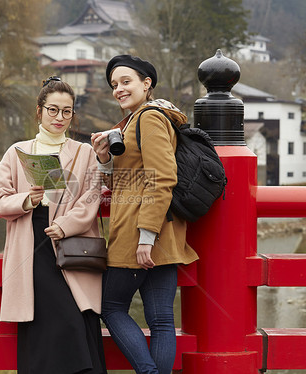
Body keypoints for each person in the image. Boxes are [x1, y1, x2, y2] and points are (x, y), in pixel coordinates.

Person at [0, 76, 106, 374]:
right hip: (31, 240)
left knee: (75, 318)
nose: (60, 118)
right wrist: (27, 199)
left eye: (66, 111)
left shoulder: (84, 153)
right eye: (53, 110)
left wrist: (66, 224)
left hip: (70, 240)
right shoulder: (17, 152)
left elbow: (92, 196)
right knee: (49, 318)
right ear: (39, 111)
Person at [91, 55, 199, 374]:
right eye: (114, 85)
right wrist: (104, 160)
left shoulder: (148, 118)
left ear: (146, 83)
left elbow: (163, 176)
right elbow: (126, 182)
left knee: (110, 308)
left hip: (140, 234)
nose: (119, 89)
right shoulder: (143, 119)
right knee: (162, 320)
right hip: (161, 232)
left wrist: (145, 237)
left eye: (126, 82)